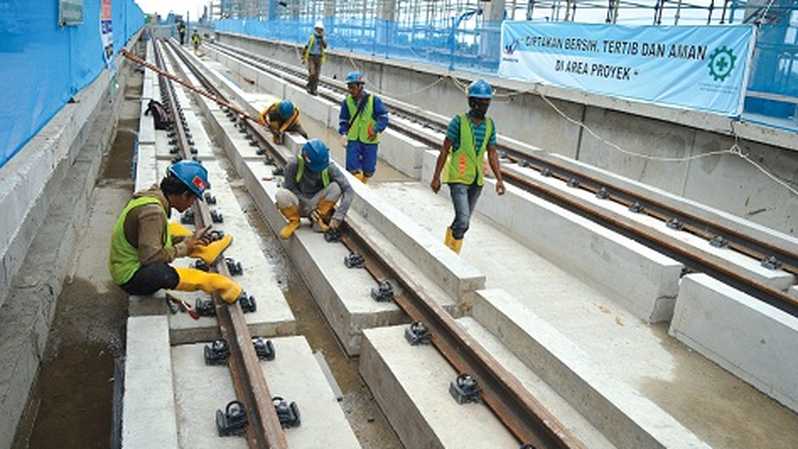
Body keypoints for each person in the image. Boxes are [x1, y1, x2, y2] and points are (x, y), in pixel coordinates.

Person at [108, 160, 242, 303]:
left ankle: (205, 251)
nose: (192, 204)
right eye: (193, 199)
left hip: (138, 256)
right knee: (160, 273)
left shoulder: (153, 197)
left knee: (171, 228)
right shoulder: (152, 213)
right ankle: (212, 282)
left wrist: (189, 241)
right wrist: (184, 248)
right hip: (130, 277)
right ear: (184, 195)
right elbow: (150, 259)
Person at [430, 79, 506, 254]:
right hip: (458, 178)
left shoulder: (489, 125)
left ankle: (449, 248)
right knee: (464, 221)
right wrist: (436, 177)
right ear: (471, 102)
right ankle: (451, 254)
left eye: (487, 102)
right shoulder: (458, 122)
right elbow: (444, 150)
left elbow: (492, 153)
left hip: (476, 180)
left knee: (462, 222)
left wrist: (499, 179)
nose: (484, 106)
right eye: (480, 102)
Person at [275, 139, 353, 239]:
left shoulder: (329, 167)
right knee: (281, 195)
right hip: (299, 204)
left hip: (317, 208)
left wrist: (338, 216)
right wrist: (309, 209)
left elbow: (349, 190)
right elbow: (290, 188)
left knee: (336, 188)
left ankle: (317, 221)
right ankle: (294, 221)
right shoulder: (294, 164)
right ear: (306, 158)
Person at [337, 71, 389, 183]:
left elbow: (383, 117)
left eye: (353, 87)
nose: (350, 90)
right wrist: (343, 133)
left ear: (360, 86)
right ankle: (358, 187)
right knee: (352, 169)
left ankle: (363, 183)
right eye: (349, 87)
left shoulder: (373, 100)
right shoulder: (347, 102)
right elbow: (344, 120)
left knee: (369, 170)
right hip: (353, 140)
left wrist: (375, 129)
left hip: (369, 141)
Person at [302, 21, 327, 95]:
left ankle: (314, 89)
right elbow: (306, 46)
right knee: (312, 73)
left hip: (319, 58)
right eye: (318, 29)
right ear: (315, 29)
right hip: (311, 57)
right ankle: (309, 86)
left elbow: (325, 46)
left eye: (321, 29)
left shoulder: (322, 38)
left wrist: (322, 39)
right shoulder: (312, 37)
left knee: (317, 75)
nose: (319, 31)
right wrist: (303, 56)